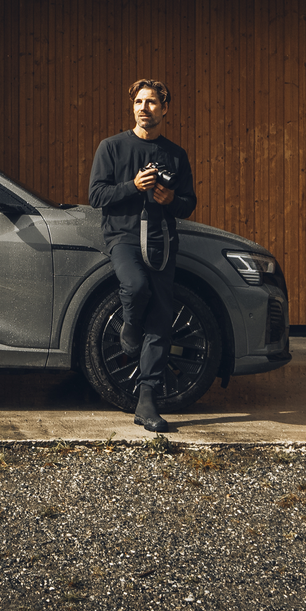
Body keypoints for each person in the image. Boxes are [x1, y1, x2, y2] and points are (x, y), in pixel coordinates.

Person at [88, 79, 197, 432]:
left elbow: (188, 204)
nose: (144, 108)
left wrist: (171, 201)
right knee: (134, 288)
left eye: (151, 102)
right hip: (123, 237)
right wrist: (133, 186)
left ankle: (146, 400)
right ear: (132, 107)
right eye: (139, 101)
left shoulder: (176, 155)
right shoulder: (112, 147)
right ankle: (129, 328)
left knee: (162, 319)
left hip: (162, 241)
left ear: (164, 109)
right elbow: (96, 196)